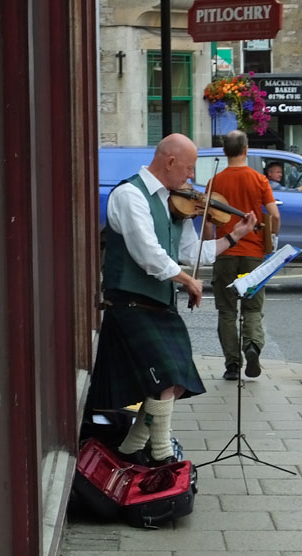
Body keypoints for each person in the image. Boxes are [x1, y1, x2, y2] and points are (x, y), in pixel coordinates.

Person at [87, 133, 257, 468]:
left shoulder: (175, 203)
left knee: (175, 381)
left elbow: (192, 253)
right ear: (169, 162)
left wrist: (234, 236)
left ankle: (130, 449)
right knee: (166, 378)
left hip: (159, 306)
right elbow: (148, 254)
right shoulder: (129, 195)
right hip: (130, 305)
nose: (192, 177)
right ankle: (162, 452)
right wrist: (187, 280)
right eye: (189, 168)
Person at [208, 130, 281, 381]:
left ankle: (232, 365)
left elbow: (208, 222)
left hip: (226, 251)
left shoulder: (215, 182)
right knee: (252, 308)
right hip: (253, 253)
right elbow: (274, 215)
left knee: (227, 311)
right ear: (246, 150)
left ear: (224, 151)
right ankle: (252, 346)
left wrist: (210, 247)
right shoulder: (259, 179)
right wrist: (271, 239)